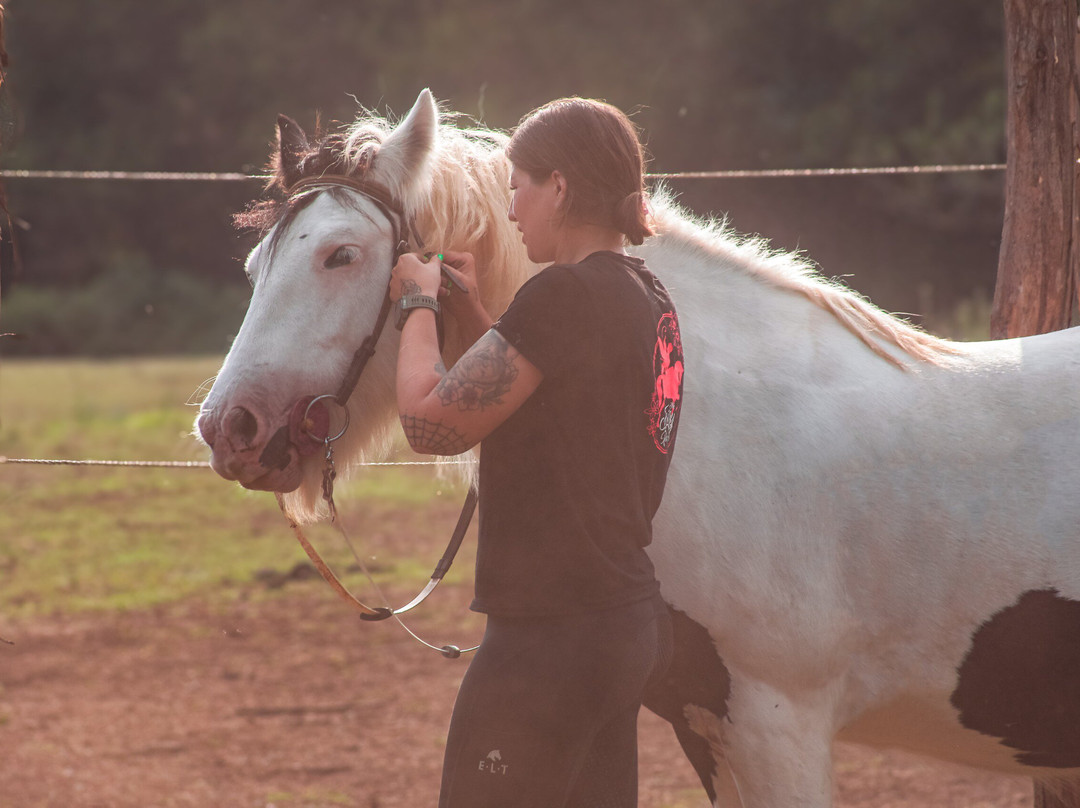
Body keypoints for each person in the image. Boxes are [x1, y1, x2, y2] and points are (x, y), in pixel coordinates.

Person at [389, 97, 685, 808]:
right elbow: (558, 404)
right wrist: (472, 316)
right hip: (621, 628)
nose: (512, 208)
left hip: (549, 641)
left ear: (560, 186)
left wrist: (415, 305)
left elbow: (431, 426)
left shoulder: (560, 295)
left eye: (518, 184)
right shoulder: (648, 295)